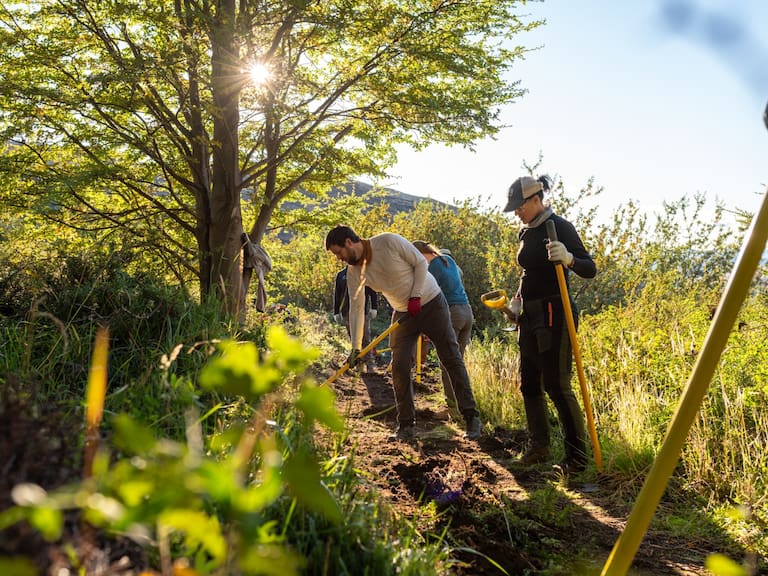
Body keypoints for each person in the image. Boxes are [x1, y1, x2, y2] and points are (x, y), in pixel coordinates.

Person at [325, 226, 482, 441]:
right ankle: (406, 426)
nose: (339, 258)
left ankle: (471, 417)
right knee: (398, 367)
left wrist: (416, 296)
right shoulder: (354, 273)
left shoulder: (388, 242)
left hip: (430, 302)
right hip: (402, 313)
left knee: (450, 358)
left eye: (338, 252)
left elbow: (420, 263)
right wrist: (356, 347)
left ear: (349, 242)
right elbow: (356, 308)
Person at [503, 175, 597, 474]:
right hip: (529, 314)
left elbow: (589, 268)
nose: (517, 211)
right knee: (529, 382)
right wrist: (518, 300)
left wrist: (569, 258)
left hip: (556, 311)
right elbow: (528, 272)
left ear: (536, 199)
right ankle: (539, 447)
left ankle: (577, 458)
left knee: (556, 384)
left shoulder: (561, 227)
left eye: (520, 206)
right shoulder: (526, 232)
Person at [412, 241, 473, 414]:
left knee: (447, 363)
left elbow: (426, 296)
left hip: (453, 313)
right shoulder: (448, 260)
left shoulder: (432, 268)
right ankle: (465, 407)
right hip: (467, 312)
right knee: (457, 362)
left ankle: (452, 408)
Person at [333, 266, 378, 372]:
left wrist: (374, 307)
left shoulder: (364, 273)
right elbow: (337, 294)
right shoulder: (341, 275)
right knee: (354, 340)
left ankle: (370, 364)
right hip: (346, 312)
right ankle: (359, 364)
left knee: (365, 338)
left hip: (362, 311)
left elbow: (373, 291)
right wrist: (336, 312)